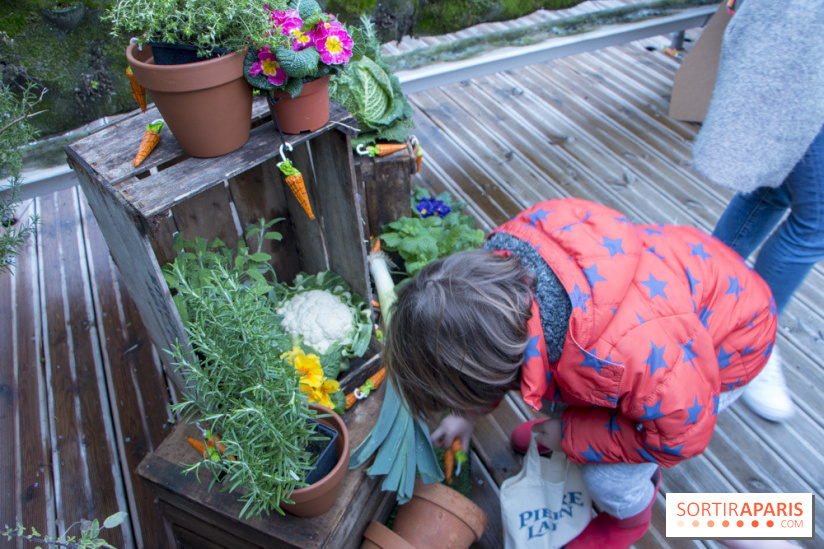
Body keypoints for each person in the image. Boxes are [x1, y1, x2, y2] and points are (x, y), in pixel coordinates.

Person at [383, 197, 777, 548]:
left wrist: (569, 435)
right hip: (681, 278)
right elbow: (471, 336)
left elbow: (680, 436)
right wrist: (464, 415)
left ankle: (628, 520)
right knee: (559, 396)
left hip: (727, 346)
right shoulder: (499, 274)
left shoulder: (631, 360)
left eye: (465, 395)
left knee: (607, 478)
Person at [692, 0, 824, 422]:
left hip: (793, 38)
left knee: (771, 186)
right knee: (815, 221)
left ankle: (697, 304)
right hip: (800, 41)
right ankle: (749, 340)